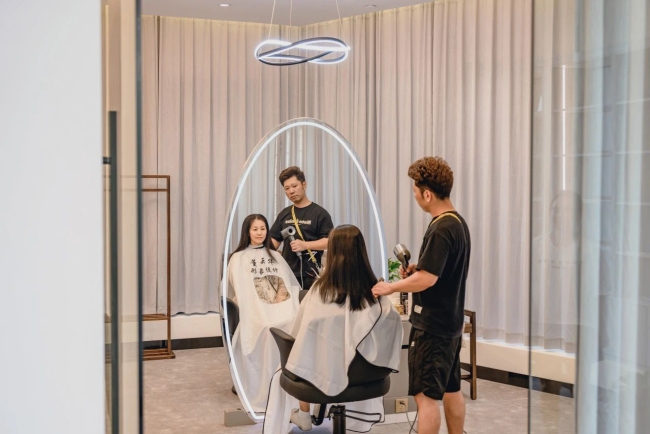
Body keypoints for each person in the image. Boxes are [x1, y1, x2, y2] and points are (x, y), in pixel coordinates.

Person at [263, 225, 403, 433]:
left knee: (303, 350)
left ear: (333, 253)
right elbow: (392, 326)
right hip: (368, 374)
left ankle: (304, 414)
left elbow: (301, 334)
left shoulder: (320, 290)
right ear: (361, 252)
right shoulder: (376, 292)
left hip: (325, 370)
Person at [372, 157, 471, 434]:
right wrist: (418, 269)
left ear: (427, 194)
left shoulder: (441, 229)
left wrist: (391, 287)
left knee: (426, 398)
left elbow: (428, 280)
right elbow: (436, 271)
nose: (414, 196)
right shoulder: (457, 223)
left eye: (415, 191)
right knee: (451, 388)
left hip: (432, 328)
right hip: (450, 324)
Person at [226, 214, 301, 412]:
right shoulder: (238, 258)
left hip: (280, 305)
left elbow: (288, 285)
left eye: (263, 228)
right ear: (247, 232)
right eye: (255, 229)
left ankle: (291, 383)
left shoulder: (276, 256)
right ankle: (266, 385)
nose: (259, 233)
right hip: (257, 309)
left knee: (293, 322)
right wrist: (258, 308)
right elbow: (242, 289)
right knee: (267, 327)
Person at [270, 166, 334, 290]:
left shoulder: (320, 213)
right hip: (287, 273)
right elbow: (274, 242)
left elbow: (329, 242)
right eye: (287, 188)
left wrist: (305, 245)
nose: (291, 191)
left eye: (294, 186)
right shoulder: (284, 214)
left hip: (311, 274)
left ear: (304, 185)